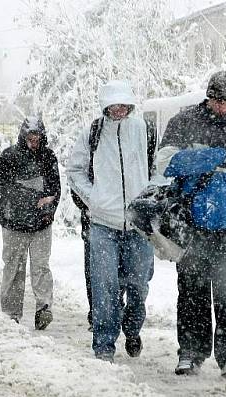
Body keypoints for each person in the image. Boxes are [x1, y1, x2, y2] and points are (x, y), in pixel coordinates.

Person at [156, 71, 226, 377]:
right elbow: (165, 163)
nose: (220, 107)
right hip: (194, 223)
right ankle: (191, 351)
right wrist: (207, 157)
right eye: (215, 99)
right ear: (208, 95)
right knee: (192, 291)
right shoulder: (183, 122)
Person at [67, 80, 155, 362]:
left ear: (129, 105)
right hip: (103, 224)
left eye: (123, 105)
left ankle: (132, 327)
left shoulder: (144, 130)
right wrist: (95, 199)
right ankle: (104, 345)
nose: (118, 110)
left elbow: (159, 167)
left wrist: (150, 198)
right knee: (105, 286)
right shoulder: (92, 133)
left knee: (139, 285)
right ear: (106, 106)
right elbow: (74, 170)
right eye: (113, 105)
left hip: (138, 224)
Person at [0, 116, 61, 329]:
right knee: (14, 267)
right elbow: (6, 190)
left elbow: (55, 190)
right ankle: (11, 312)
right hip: (13, 222)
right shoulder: (9, 157)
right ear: (23, 137)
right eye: (30, 139)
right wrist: (35, 198)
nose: (34, 143)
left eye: (37, 139)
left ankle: (44, 308)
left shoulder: (48, 158)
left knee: (41, 266)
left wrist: (49, 207)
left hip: (41, 223)